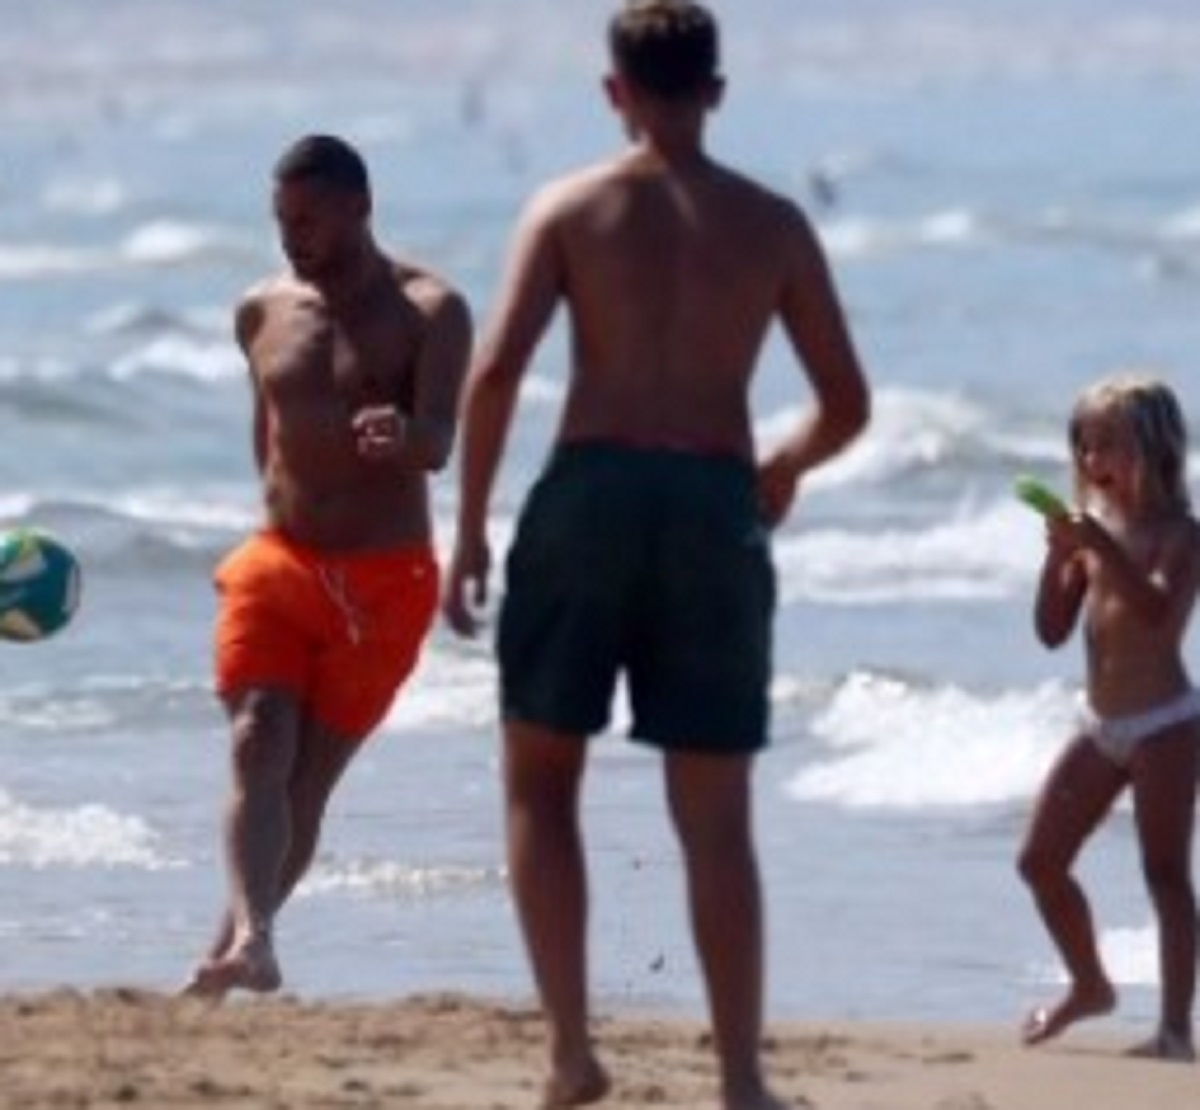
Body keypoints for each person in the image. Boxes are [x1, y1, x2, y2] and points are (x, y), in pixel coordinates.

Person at [442, 3, 871, 1106]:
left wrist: (472, 530)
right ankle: (738, 1077)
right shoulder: (773, 225)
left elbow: (493, 376)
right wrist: (783, 467)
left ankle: (573, 1054)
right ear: (716, 91)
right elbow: (847, 403)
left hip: (589, 491)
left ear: (613, 92)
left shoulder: (572, 208)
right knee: (716, 815)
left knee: (542, 784)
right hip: (710, 499)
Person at [183, 134, 472, 998]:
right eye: (280, 220)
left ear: (359, 205)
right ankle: (256, 939)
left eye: (307, 219)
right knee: (256, 740)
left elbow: (440, 442)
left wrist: (406, 437)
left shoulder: (431, 308)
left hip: (385, 578)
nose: (291, 237)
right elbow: (267, 435)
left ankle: (234, 949)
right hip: (280, 562)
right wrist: (275, 528)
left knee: (303, 787)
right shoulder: (260, 310)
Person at [1017, 373, 1200, 1061]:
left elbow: (1156, 614)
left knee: (1165, 873)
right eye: (1085, 446)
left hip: (1168, 725)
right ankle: (1091, 984)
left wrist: (1097, 543)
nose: (1094, 462)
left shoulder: (1181, 535)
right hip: (1103, 724)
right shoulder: (1100, 536)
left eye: (1111, 446)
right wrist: (1059, 560)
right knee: (1040, 861)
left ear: (1154, 451)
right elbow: (1050, 631)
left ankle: (1176, 1030)